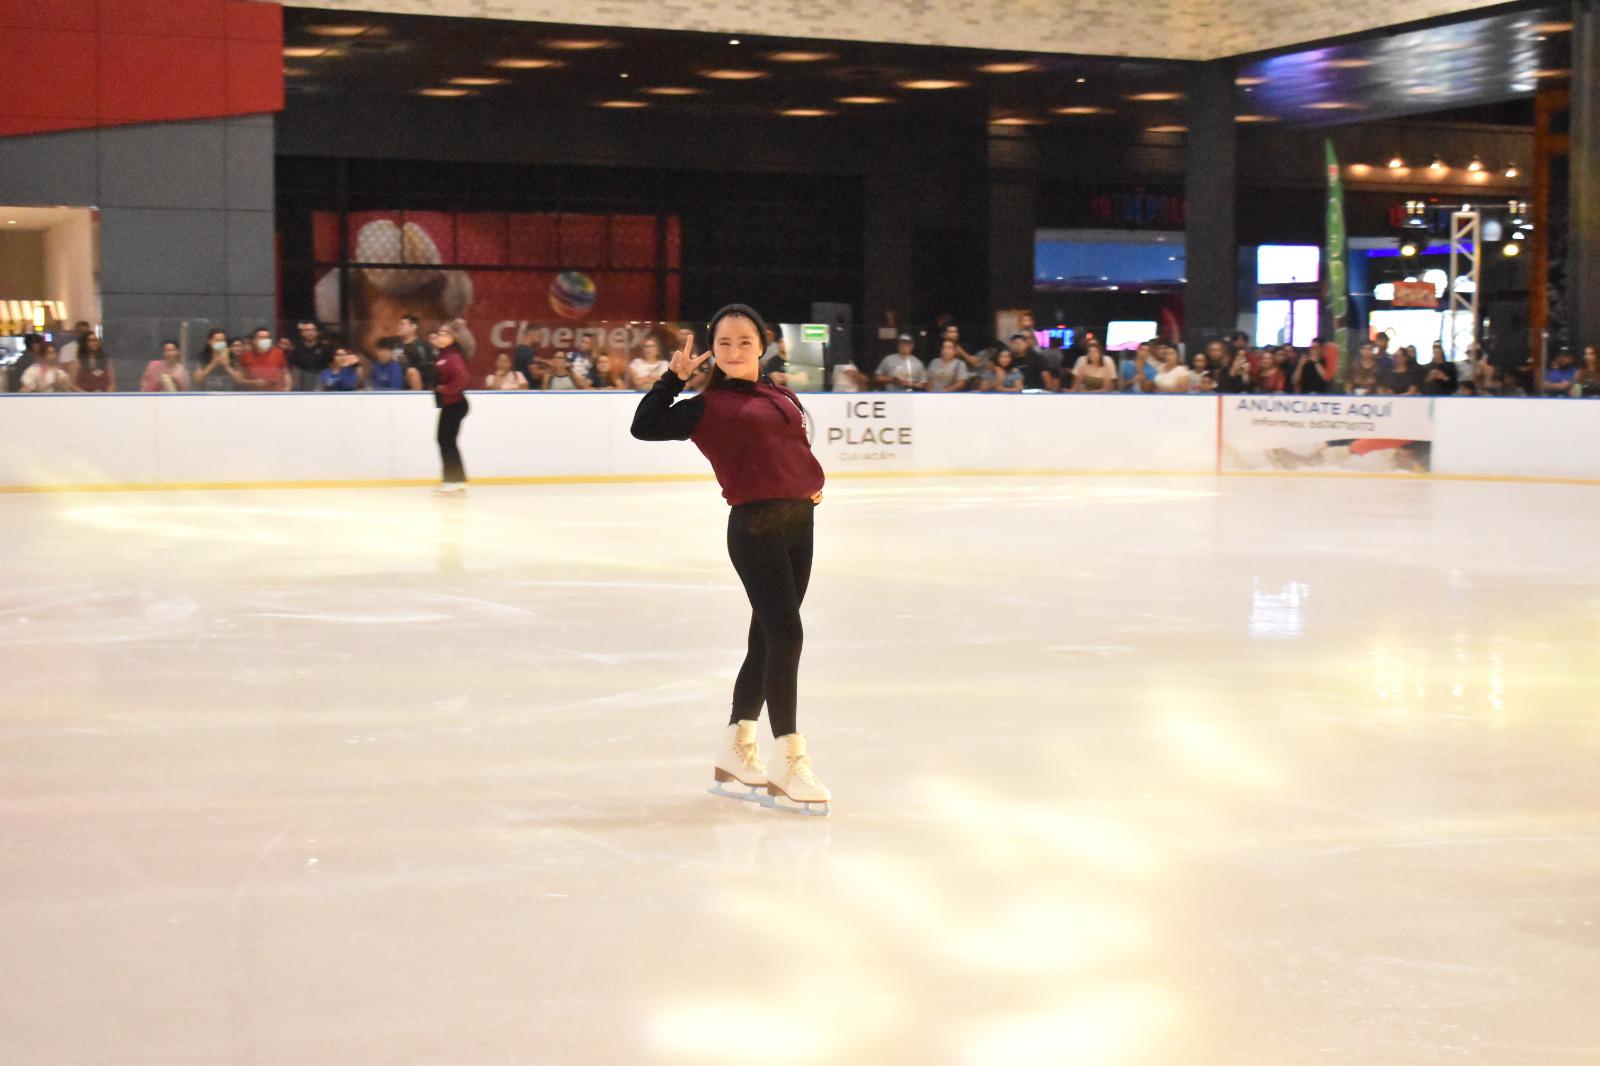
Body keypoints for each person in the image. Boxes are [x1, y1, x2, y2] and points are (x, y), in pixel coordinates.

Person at [630, 303, 830, 815]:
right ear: (711, 353)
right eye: (724, 344)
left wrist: (809, 487)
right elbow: (645, 426)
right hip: (755, 528)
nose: (735, 351)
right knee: (787, 634)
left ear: (762, 344)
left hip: (798, 526)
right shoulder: (706, 405)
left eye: (744, 341)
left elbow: (791, 451)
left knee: (767, 638)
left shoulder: (780, 392)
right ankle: (788, 758)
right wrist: (671, 380)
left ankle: (736, 747)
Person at [430, 321, 471, 495]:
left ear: (453, 338)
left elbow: (462, 378)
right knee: (444, 440)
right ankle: (453, 479)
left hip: (455, 404)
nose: (439, 336)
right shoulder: (444, 354)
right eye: (438, 333)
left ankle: (454, 480)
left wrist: (446, 390)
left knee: (446, 440)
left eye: (443, 334)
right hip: (450, 404)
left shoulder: (453, 356)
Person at [288, 320, 335, 391]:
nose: (310, 333)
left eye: (313, 330)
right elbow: (294, 368)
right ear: (302, 333)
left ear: (317, 332)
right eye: (307, 330)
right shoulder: (296, 349)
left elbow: (331, 365)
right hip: (302, 380)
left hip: (321, 380)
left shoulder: (326, 348)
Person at [395, 314, 435, 390]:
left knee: (412, 372)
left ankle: (418, 398)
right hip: (397, 378)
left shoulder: (422, 346)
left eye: (402, 324)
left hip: (417, 381)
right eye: (399, 324)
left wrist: (407, 363)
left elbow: (428, 369)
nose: (399, 327)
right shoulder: (397, 345)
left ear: (413, 327)